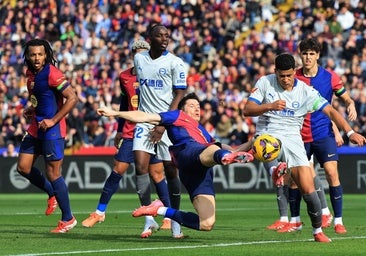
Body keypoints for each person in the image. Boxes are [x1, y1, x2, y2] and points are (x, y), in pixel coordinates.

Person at [242, 53, 366, 243]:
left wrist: (350, 133)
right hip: (269, 134)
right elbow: (247, 110)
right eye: (281, 75)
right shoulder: (265, 82)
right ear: (275, 72)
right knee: (264, 144)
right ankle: (277, 169)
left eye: (289, 75)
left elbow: (331, 111)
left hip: (293, 138)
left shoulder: (306, 91)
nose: (285, 79)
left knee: (309, 191)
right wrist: (270, 106)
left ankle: (317, 231)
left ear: (294, 73)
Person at [97, 92, 254, 233]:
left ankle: (159, 209)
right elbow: (144, 116)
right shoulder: (177, 115)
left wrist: (253, 141)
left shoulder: (205, 133)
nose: (197, 109)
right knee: (214, 150)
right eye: (192, 106)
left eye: (198, 106)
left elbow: (234, 151)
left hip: (200, 173)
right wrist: (115, 113)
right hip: (187, 152)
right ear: (183, 109)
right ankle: (223, 158)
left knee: (206, 223)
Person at [81, 40, 172, 239]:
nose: (140, 58)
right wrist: (120, 130)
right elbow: (124, 101)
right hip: (132, 130)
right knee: (119, 169)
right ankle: (100, 212)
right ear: (133, 56)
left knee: (156, 174)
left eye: (143, 54)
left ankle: (166, 216)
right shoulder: (124, 76)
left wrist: (163, 126)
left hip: (153, 128)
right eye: (137, 54)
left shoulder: (159, 74)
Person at [267, 38, 357, 234]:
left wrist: (350, 104)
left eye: (311, 54)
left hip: (323, 133)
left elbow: (343, 97)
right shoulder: (293, 77)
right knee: (294, 179)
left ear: (317, 55)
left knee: (332, 174)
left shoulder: (330, 77)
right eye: (305, 53)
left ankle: (338, 221)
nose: (307, 57)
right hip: (299, 136)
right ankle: (295, 220)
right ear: (300, 55)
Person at [16, 39, 78, 233]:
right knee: (23, 167)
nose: (36, 58)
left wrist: (53, 120)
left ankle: (68, 218)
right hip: (36, 126)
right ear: (27, 55)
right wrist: (31, 109)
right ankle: (52, 193)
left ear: (46, 55)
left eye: (40, 54)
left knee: (53, 174)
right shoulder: (29, 74)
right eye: (33, 54)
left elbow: (72, 97)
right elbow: (41, 98)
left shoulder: (52, 73)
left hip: (52, 130)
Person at [132, 24, 187, 238]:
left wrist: (164, 123)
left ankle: (174, 220)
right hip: (144, 121)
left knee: (171, 171)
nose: (165, 38)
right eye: (160, 35)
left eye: (167, 35)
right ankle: (148, 219)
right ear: (150, 38)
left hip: (167, 123)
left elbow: (180, 93)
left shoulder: (175, 62)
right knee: (140, 166)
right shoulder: (139, 59)